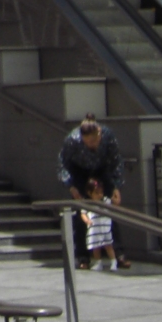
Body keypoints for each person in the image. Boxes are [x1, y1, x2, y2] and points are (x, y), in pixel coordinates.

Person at [59, 113, 130, 267]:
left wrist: (115, 186)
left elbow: (116, 160)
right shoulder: (72, 140)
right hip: (79, 171)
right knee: (81, 214)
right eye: (88, 142)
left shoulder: (108, 135)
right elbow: (63, 164)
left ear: (99, 133)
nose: (92, 145)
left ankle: (118, 254)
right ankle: (83, 257)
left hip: (101, 169)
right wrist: (71, 186)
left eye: (94, 141)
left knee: (109, 209)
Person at [80, 178, 120, 270]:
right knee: (96, 247)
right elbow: (83, 213)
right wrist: (87, 221)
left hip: (105, 228)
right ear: (90, 193)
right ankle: (98, 262)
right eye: (96, 193)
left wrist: (115, 199)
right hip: (94, 229)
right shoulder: (88, 203)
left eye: (101, 192)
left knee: (108, 245)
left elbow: (114, 204)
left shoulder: (105, 200)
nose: (100, 195)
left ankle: (113, 261)